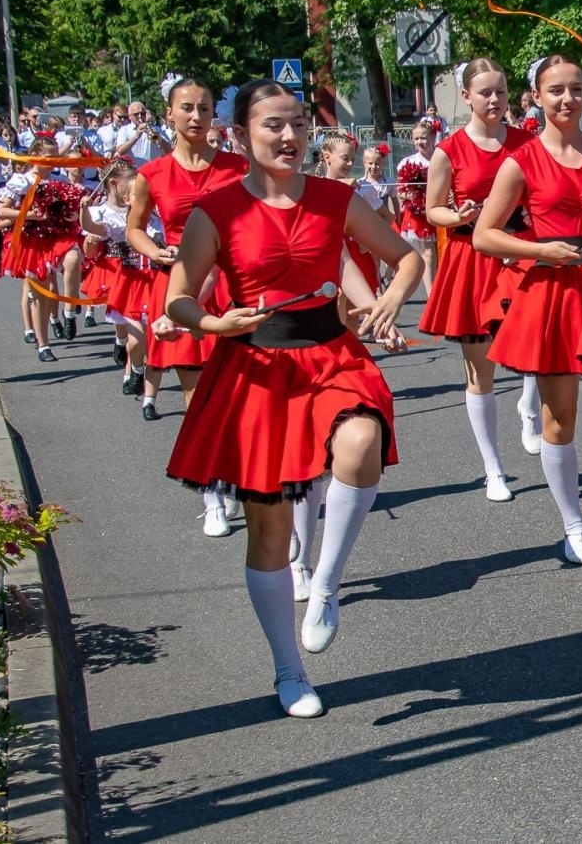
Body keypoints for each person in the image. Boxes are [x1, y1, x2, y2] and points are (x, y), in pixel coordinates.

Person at [164, 78, 423, 717]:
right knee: (269, 530)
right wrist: (210, 322)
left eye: (299, 124)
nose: (289, 137)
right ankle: (289, 670)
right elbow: (179, 297)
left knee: (362, 440)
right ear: (243, 135)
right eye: (273, 125)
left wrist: (389, 298)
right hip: (255, 369)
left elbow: (406, 255)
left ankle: (328, 582)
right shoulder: (216, 211)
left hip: (331, 353)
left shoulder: (337, 198)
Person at [473, 55, 582, 565]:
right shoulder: (521, 161)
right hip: (552, 288)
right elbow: (485, 235)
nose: (567, 99)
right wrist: (539, 250)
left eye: (576, 89)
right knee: (560, 420)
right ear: (536, 98)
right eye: (556, 91)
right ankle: (573, 524)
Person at [419, 58, 542, 501]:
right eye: (485, 92)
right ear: (466, 97)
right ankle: (493, 468)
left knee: (539, 343)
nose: (495, 100)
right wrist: (458, 214)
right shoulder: (448, 150)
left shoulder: (528, 142)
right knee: (481, 367)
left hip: (522, 251)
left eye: (502, 92)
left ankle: (529, 405)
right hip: (473, 257)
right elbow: (433, 208)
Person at [126, 78, 249, 500]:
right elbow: (134, 228)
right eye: (188, 108)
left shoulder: (238, 167)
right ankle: (212, 493)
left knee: (240, 391)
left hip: (233, 283)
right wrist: (157, 253)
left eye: (204, 108)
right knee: (197, 395)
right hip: (181, 283)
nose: (196, 116)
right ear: (170, 115)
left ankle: (241, 474)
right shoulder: (152, 174)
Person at [0, 135, 85, 363]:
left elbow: (66, 207)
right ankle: (43, 345)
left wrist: (73, 214)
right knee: (39, 294)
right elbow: (0, 211)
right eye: (48, 157)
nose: (53, 161)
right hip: (32, 240)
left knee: (73, 258)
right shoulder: (21, 181)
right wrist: (30, 214)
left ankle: (70, 311)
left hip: (56, 235)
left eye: (55, 157)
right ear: (35, 155)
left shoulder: (57, 180)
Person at [80, 158, 160, 397]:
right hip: (126, 277)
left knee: (145, 336)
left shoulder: (156, 220)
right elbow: (94, 230)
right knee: (132, 334)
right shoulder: (112, 218)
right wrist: (84, 210)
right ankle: (133, 364)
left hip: (154, 280)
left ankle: (136, 374)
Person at [394, 120, 438, 295]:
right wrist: (412, 196)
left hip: (441, 211)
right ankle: (431, 297)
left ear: (433, 137)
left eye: (424, 137)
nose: (420, 142)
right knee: (427, 254)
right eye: (416, 138)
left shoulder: (441, 158)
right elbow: (400, 190)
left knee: (440, 255)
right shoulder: (408, 162)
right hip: (419, 215)